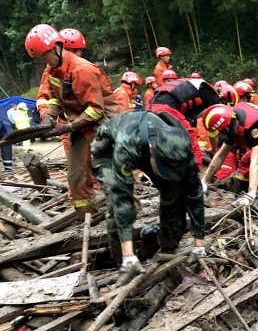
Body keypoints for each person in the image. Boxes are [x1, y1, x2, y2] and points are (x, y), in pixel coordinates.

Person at [91, 110, 205, 270]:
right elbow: (121, 196)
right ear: (152, 151)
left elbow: (194, 192)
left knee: (173, 193)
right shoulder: (127, 145)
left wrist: (199, 242)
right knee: (115, 203)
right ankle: (123, 260)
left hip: (149, 150)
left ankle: (168, 246)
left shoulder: (182, 149)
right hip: (109, 152)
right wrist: (128, 255)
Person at [26, 24, 118, 213]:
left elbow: (95, 110)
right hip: (79, 124)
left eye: (45, 55)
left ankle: (129, 210)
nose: (44, 60)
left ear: (57, 47)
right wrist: (48, 118)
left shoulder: (81, 70)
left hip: (104, 123)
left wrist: (67, 128)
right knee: (76, 176)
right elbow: (55, 97)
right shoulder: (53, 70)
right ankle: (86, 215)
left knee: (106, 172)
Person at [148, 76, 221, 169]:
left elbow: (190, 120)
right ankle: (195, 177)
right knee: (191, 144)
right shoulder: (214, 101)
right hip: (165, 108)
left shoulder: (198, 92)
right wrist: (215, 151)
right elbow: (213, 132)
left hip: (151, 107)